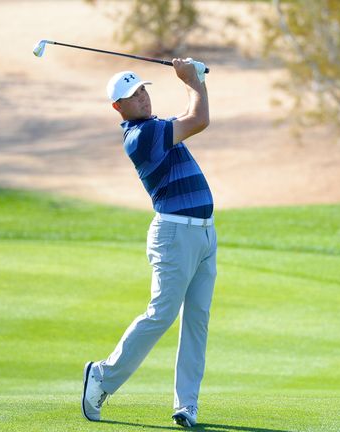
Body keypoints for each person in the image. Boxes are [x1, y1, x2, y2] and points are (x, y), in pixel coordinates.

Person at [81, 58, 216, 428]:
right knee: (161, 314)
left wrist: (195, 81)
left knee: (197, 321)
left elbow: (192, 113)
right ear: (117, 108)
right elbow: (200, 119)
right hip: (175, 234)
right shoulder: (140, 137)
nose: (141, 98)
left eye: (142, 90)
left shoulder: (157, 126)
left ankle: (186, 404)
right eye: (131, 95)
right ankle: (102, 376)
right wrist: (192, 80)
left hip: (204, 233)